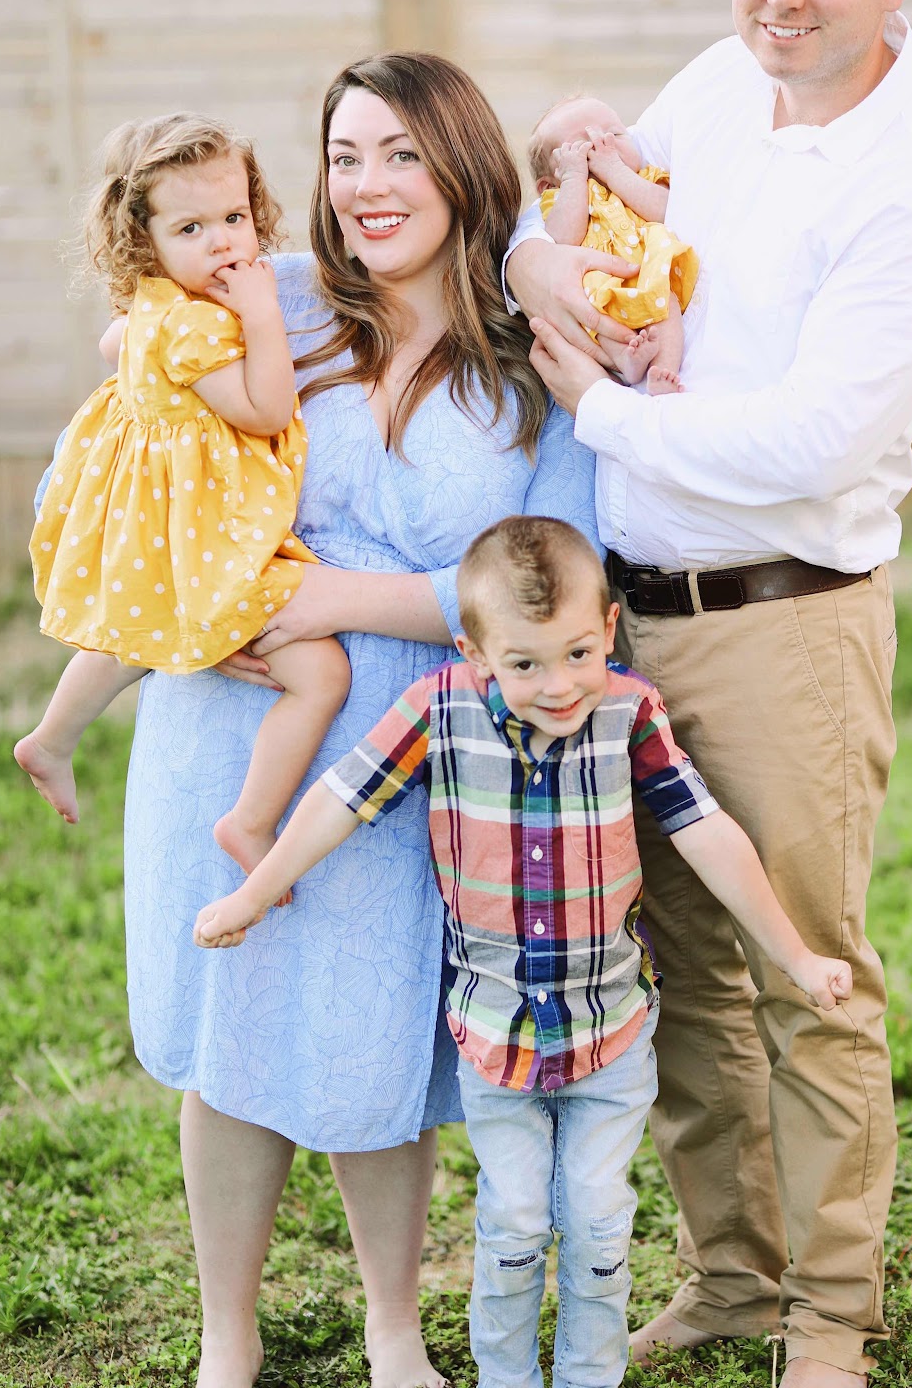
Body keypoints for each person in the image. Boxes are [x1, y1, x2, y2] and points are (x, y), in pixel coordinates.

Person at [506, 0, 912, 1388]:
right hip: (626, 621)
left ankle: (831, 1319)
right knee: (682, 975)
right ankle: (734, 1277)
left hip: (787, 624)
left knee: (807, 977)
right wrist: (541, 253)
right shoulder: (719, 88)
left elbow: (812, 442)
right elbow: (594, 234)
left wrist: (598, 405)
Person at [44, 54, 599, 1388]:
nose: (366, 185)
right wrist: (185, 589)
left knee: (374, 1026)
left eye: (401, 153)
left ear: (461, 168)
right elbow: (130, 431)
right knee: (231, 1031)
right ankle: (224, 1334)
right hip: (229, 716)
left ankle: (391, 1325)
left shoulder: (530, 358)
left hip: (412, 743)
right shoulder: (270, 301)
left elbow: (554, 572)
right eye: (345, 157)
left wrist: (331, 598)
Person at [191, 515, 854, 1388]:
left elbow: (707, 832)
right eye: (526, 664)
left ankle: (588, 1375)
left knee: (599, 1224)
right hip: (496, 1037)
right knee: (511, 1225)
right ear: (475, 653)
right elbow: (339, 800)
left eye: (578, 654)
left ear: (609, 627)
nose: (559, 686)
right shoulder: (438, 709)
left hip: (610, 1033)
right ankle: (506, 1376)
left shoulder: (628, 712)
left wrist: (796, 957)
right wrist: (252, 892)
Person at [15, 114, 351, 879]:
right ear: (146, 242)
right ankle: (250, 823)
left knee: (133, 635)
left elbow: (114, 342)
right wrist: (263, 314)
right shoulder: (199, 326)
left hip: (167, 528)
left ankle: (53, 738)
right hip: (204, 536)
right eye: (192, 228)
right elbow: (266, 409)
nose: (224, 243)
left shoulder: (156, 307)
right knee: (322, 674)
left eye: (234, 218)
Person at [527, 96, 697, 395]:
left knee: (666, 306)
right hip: (597, 285)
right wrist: (575, 178)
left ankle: (664, 371)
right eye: (582, 146)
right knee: (592, 310)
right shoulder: (560, 197)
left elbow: (667, 212)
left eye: (616, 134)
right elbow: (563, 239)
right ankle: (624, 360)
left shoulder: (646, 177)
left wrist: (615, 171)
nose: (604, 144)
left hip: (648, 275)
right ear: (548, 184)